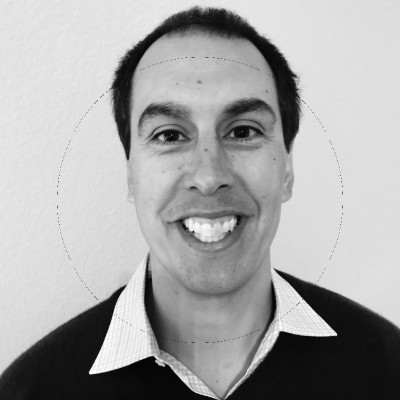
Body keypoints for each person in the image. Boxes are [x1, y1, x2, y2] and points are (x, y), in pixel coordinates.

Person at [1, 5, 399, 400]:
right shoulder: (30, 390)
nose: (209, 177)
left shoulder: (388, 367)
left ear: (287, 171)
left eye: (243, 132)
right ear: (131, 176)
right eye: (170, 136)